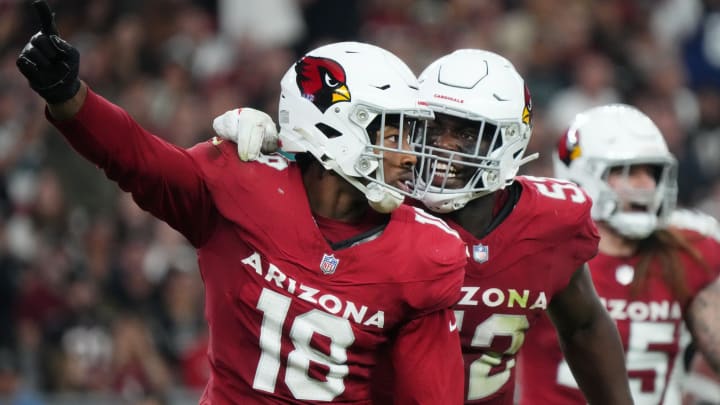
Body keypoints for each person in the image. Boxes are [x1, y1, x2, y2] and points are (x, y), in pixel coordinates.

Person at [16, 1, 470, 403]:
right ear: (333, 128)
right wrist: (68, 95)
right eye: (393, 135)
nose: (409, 155)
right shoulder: (241, 183)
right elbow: (139, 159)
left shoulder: (425, 252)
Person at [217, 49, 634, 404]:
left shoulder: (550, 222)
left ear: (509, 141)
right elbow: (317, 171)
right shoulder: (376, 195)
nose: (443, 146)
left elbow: (584, 324)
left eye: (466, 133)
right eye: (433, 128)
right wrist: (280, 144)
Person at [516, 104, 720, 404]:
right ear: (583, 174)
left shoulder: (687, 250)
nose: (646, 185)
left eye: (651, 173)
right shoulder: (543, 251)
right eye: (628, 172)